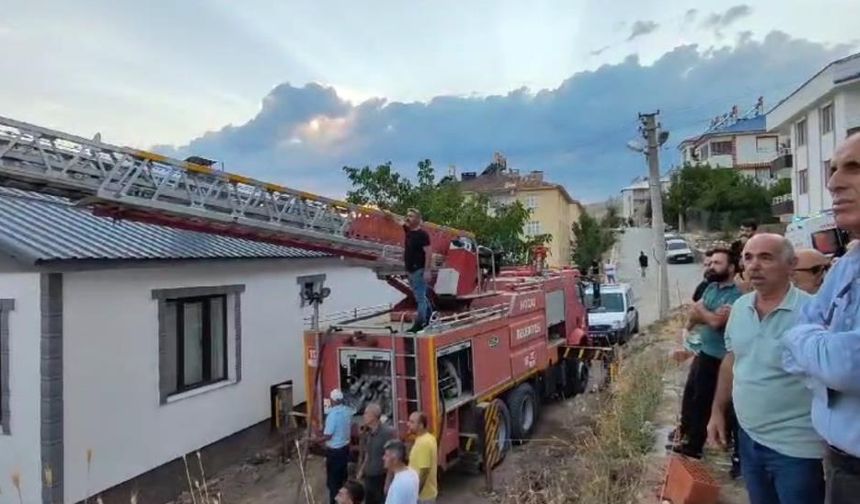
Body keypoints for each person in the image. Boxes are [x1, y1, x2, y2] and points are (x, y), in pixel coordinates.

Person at [707, 234, 824, 504]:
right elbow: (732, 360)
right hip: (749, 438)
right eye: (748, 258)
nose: (754, 265)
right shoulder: (739, 307)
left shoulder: (813, 313)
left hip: (797, 450)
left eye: (766, 257)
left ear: (791, 264)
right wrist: (717, 411)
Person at [782, 133, 860, 504]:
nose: (832, 183)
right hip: (839, 463)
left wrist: (811, 343)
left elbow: (849, 366)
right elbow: (791, 345)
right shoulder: (848, 265)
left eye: (854, 168)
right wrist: (819, 346)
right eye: (832, 171)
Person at [671, 248, 741, 459]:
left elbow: (715, 322)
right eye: (710, 263)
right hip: (703, 351)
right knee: (691, 397)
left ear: (731, 267)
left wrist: (702, 312)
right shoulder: (711, 287)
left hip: (720, 358)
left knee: (708, 401)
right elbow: (698, 310)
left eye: (717, 263)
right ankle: (686, 436)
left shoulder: (736, 295)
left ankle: (696, 446)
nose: (711, 267)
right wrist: (704, 312)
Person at [317, 389, 354, 504]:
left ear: (333, 400)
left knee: (333, 483)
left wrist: (315, 440)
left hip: (335, 452)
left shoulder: (332, 415)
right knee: (343, 479)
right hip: (345, 449)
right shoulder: (348, 411)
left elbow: (328, 435)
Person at [357, 404, 395, 504]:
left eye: (366, 413)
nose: (364, 416)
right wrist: (361, 470)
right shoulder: (369, 432)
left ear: (374, 416)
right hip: (369, 477)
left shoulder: (387, 433)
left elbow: (392, 458)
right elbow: (368, 454)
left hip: (380, 478)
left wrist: (388, 481)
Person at [403, 209, 433, 333]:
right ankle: (430, 315)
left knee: (420, 298)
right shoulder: (408, 231)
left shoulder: (422, 235)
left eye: (411, 216)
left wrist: (427, 271)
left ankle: (420, 324)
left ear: (418, 219)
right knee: (420, 296)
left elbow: (429, 253)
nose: (408, 218)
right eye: (407, 215)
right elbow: (399, 222)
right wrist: (388, 215)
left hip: (419, 270)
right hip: (410, 270)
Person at [407, 412, 438, 504]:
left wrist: (415, 493)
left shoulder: (423, 443)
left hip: (423, 497)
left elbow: (424, 472)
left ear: (420, 425)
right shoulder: (428, 438)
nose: (408, 424)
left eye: (412, 422)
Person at [383, 440, 419, 504]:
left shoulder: (400, 483)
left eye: (386, 455)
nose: (383, 458)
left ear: (395, 459)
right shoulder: (412, 472)